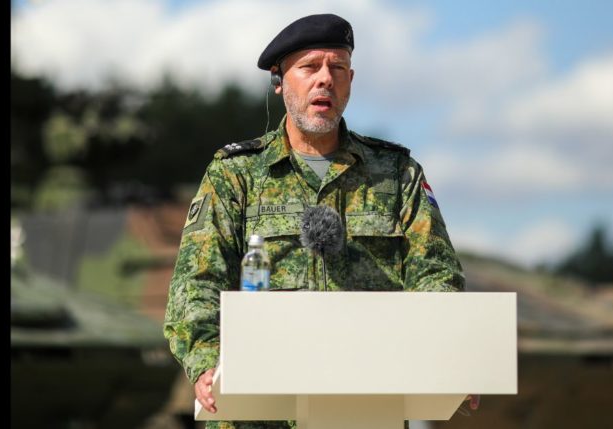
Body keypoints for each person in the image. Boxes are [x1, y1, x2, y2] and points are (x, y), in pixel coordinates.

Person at [163, 13, 479, 429]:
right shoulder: (235, 174)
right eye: (310, 67)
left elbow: (436, 275)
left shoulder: (396, 173)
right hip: (258, 414)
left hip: (364, 409)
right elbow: (196, 283)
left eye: (338, 68)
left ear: (350, 80)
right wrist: (206, 362)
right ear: (279, 82)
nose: (325, 79)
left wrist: (449, 352)